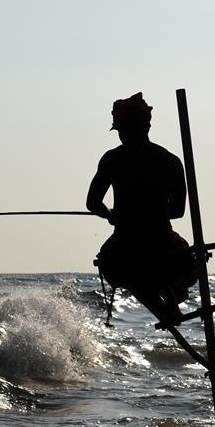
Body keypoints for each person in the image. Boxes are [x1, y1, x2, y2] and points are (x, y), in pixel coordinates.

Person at [87, 92, 197, 323]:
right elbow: (178, 211)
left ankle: (161, 299)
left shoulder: (112, 159)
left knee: (113, 266)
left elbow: (92, 203)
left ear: (125, 129)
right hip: (164, 242)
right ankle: (169, 293)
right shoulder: (171, 160)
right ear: (146, 126)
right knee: (185, 268)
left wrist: (112, 215)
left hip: (126, 245)